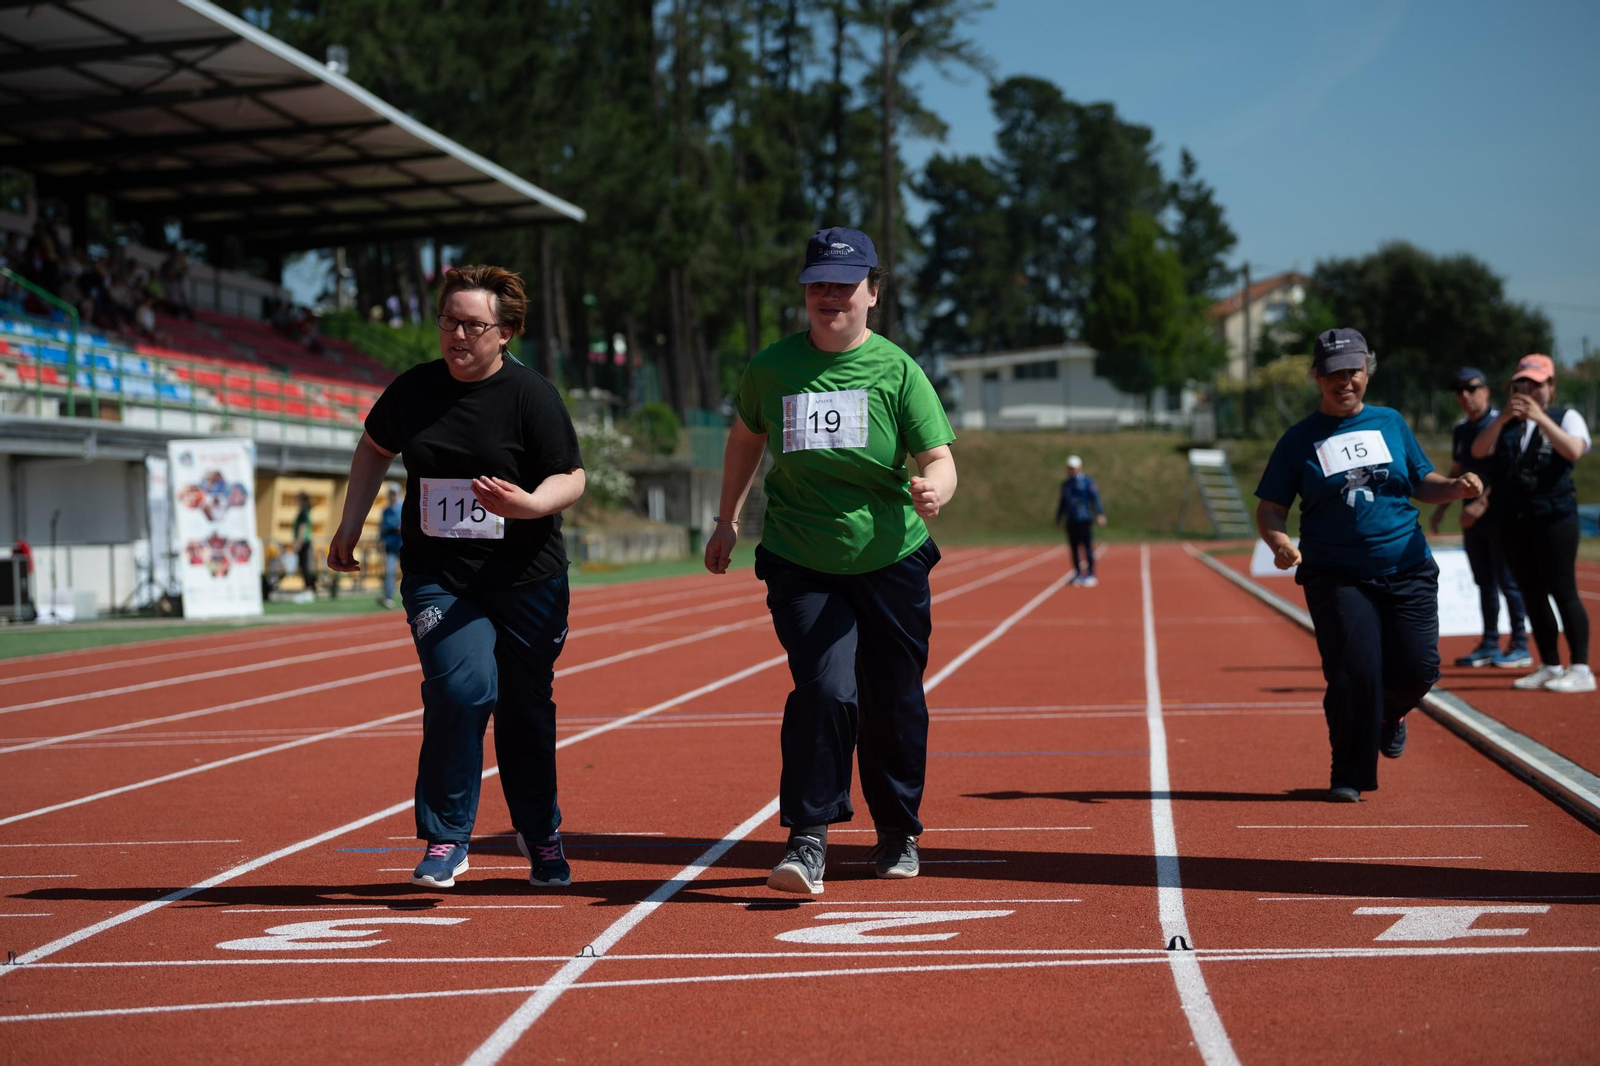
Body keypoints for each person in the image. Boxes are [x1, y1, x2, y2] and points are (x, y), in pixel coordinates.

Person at [705, 226, 957, 894]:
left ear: (872, 292)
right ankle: (808, 838)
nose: (829, 296)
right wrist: (726, 519)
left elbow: (938, 455)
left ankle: (897, 828)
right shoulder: (772, 367)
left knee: (893, 699)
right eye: (818, 284)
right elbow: (744, 441)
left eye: (843, 285)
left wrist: (936, 488)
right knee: (826, 688)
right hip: (800, 557)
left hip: (891, 557)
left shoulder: (898, 370)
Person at [327, 264, 585, 888]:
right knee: (463, 688)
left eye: (473, 325)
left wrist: (526, 504)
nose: (458, 336)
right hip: (441, 576)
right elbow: (372, 449)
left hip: (527, 580)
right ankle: (447, 838)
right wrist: (349, 524)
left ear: (507, 333)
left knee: (525, 707)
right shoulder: (414, 390)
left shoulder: (532, 396)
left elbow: (570, 477)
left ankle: (538, 830)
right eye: (448, 322)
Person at [1254, 328, 1482, 802]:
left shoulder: (1391, 423)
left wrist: (1456, 487)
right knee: (1355, 671)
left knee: (1420, 670)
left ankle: (1390, 714)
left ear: (1367, 372)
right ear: (1317, 376)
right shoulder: (1299, 440)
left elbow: (1423, 481)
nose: (1344, 382)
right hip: (1336, 574)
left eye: (1353, 371)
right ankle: (1348, 773)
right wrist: (1278, 541)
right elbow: (1272, 507)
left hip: (1407, 566)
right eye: (1334, 373)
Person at [1470, 354, 1593, 693]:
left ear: (1551, 387)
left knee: (1563, 589)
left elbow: (1572, 450)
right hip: (1515, 519)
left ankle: (1581, 667)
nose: (1528, 390)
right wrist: (1503, 418)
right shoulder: (1507, 423)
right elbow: (1479, 450)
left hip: (1555, 517)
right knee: (1532, 593)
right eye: (1521, 384)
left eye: (1536, 384)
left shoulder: (1566, 417)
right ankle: (1551, 664)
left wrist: (1540, 418)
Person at [1429, 367, 1530, 668]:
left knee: (1507, 582)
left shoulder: (1506, 424)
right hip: (1474, 522)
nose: (1465, 396)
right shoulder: (1462, 429)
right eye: (1459, 391)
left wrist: (1481, 503)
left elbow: (1510, 471)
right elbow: (1458, 469)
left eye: (1471, 388)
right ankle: (1489, 642)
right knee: (1484, 582)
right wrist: (1443, 504)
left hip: (1503, 516)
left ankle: (1520, 644)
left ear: (1486, 390)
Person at [1055, 454, 1106, 586]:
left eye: (1074, 468)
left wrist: (1099, 513)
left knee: (1087, 547)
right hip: (1071, 520)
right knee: (1074, 548)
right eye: (1069, 468)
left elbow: (1095, 499)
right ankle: (1077, 573)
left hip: (1084, 518)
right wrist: (1059, 518)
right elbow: (1062, 503)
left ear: (1079, 467)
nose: (1071, 470)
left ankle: (1090, 574)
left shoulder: (1087, 481)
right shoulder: (1066, 484)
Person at [378, 484, 403, 609]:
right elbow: (381, 527)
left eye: (394, 494)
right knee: (389, 572)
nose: (392, 496)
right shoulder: (385, 511)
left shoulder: (403, 507)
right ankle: (388, 597)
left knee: (409, 571)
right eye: (390, 494)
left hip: (403, 545)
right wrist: (381, 540)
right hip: (390, 545)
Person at [292, 492, 316, 598]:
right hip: (304, 541)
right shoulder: (305, 510)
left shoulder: (304, 511)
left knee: (304, 565)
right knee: (303, 565)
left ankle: (309, 588)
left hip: (304, 542)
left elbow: (303, 527)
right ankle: (309, 588)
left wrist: (298, 542)